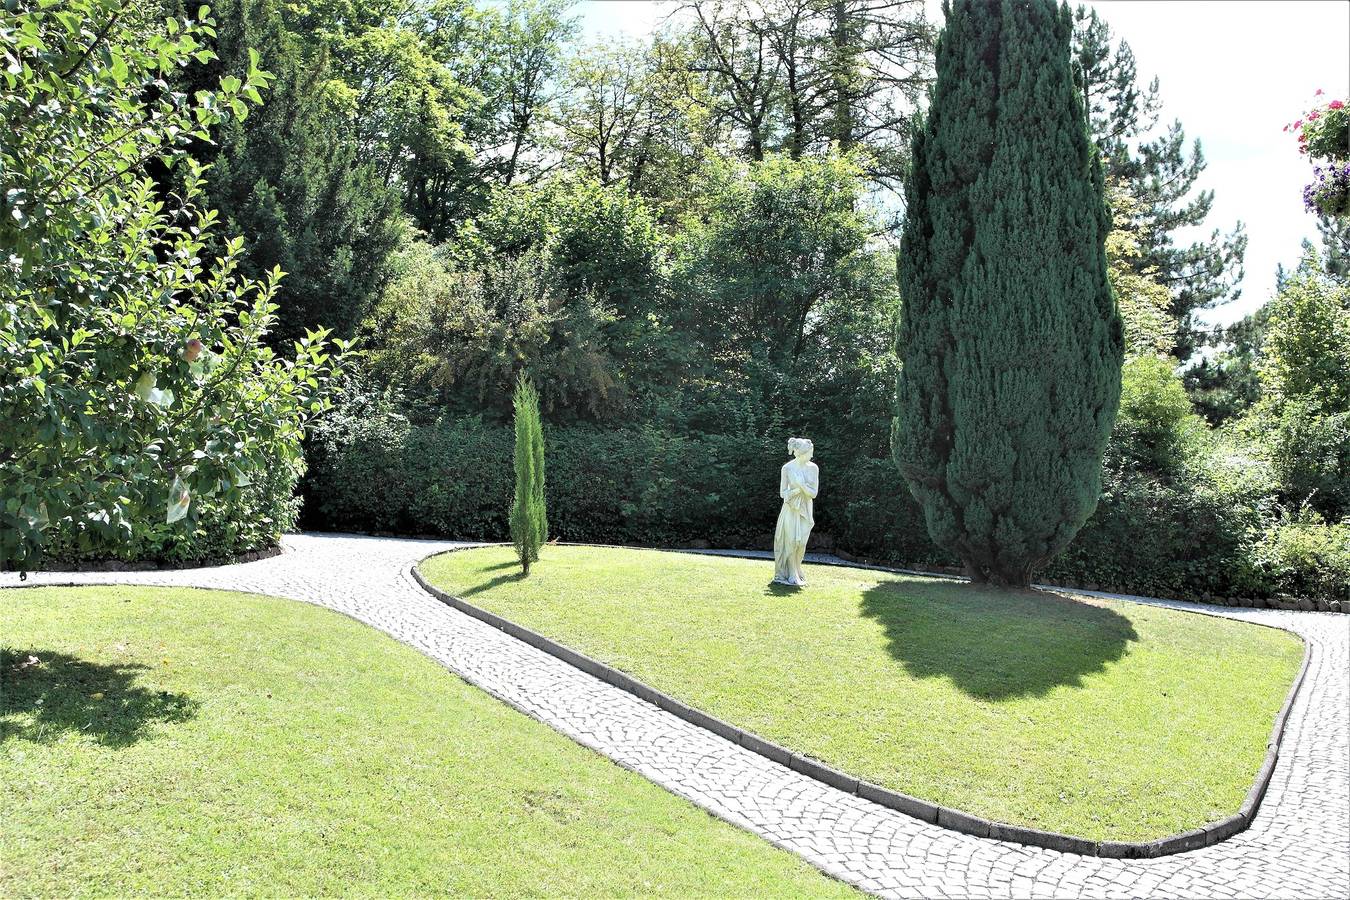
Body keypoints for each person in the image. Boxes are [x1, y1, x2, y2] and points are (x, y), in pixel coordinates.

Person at [773, 437, 818, 586]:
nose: (812, 456)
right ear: (801, 453)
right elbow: (782, 493)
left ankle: (797, 568)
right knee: (792, 540)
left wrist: (802, 485)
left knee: (802, 543)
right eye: (810, 453)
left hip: (805, 508)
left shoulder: (813, 468)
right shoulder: (787, 468)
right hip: (791, 508)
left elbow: (813, 493)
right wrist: (795, 490)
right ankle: (791, 573)